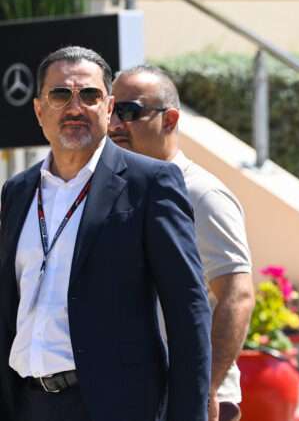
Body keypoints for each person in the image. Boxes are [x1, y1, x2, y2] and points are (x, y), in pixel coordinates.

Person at [0, 46, 211, 421]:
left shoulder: (150, 184)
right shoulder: (17, 192)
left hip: (115, 406)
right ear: (38, 110)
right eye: (61, 94)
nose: (75, 108)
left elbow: (188, 312)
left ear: (109, 108)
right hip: (27, 403)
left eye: (90, 95)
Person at [108, 65, 255, 421]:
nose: (114, 125)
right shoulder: (114, 190)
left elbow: (237, 296)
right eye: (110, 110)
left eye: (129, 112)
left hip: (190, 401)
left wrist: (205, 388)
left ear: (170, 119)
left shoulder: (201, 194)